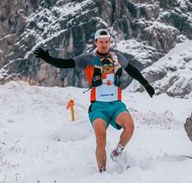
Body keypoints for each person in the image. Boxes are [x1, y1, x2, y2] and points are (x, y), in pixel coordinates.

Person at [35, 28, 156, 172]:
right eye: (101, 42)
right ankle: (102, 171)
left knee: (129, 127)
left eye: (107, 42)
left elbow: (133, 71)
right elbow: (65, 63)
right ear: (95, 42)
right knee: (101, 136)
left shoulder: (118, 58)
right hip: (98, 106)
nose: (104, 45)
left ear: (110, 42)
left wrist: (146, 85)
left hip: (116, 104)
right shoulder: (88, 59)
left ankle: (117, 153)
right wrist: (48, 59)